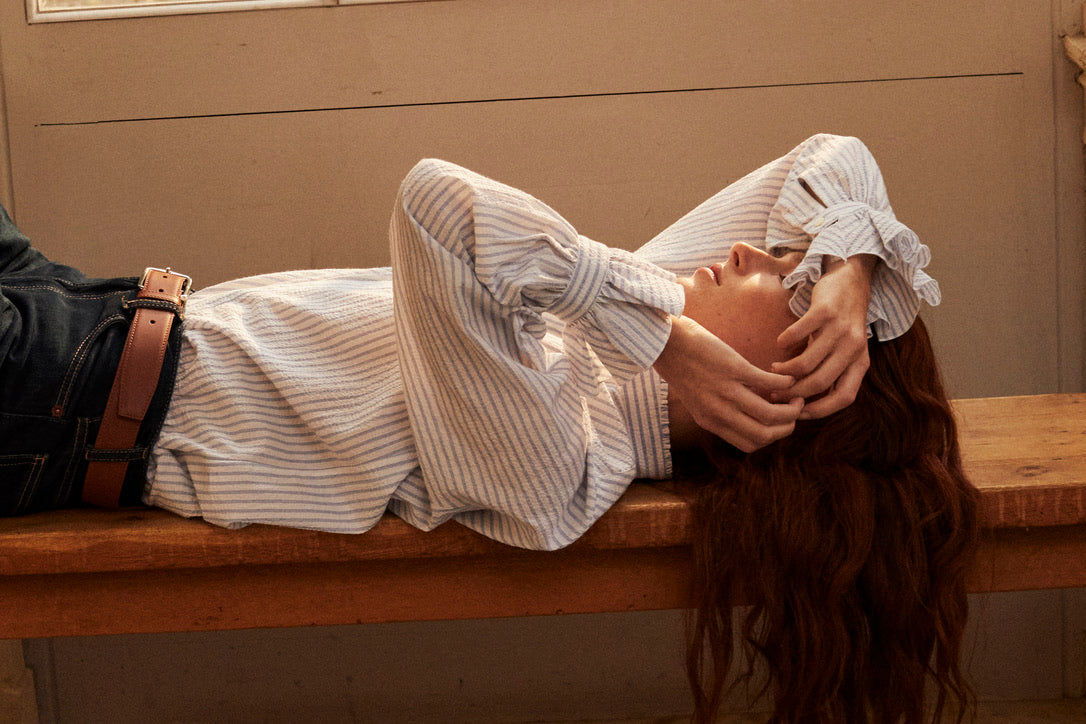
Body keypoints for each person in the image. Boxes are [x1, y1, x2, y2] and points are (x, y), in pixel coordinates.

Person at [0, 133, 977, 720]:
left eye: (785, 275)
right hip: (89, 309)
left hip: (52, 397)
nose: (749, 248)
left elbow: (439, 203)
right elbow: (829, 154)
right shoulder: (655, 327)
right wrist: (851, 267)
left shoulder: (559, 456)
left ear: (773, 383)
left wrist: (659, 335)